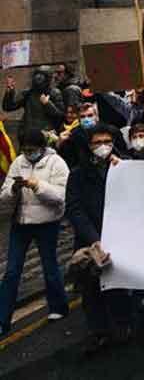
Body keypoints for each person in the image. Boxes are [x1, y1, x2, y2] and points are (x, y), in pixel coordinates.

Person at [66, 124, 133, 355]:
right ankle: (99, 331)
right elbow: (74, 210)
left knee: (117, 285)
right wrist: (94, 239)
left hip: (119, 237)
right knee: (91, 288)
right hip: (90, 240)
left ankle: (123, 323)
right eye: (97, 142)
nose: (103, 146)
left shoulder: (123, 167)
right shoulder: (77, 175)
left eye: (107, 141)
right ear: (89, 145)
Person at [0, 131, 70, 336]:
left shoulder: (56, 164)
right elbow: (4, 194)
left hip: (47, 223)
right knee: (12, 271)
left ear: (41, 148)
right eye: (25, 150)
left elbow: (60, 196)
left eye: (31, 150)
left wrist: (38, 186)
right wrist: (13, 189)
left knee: (49, 265)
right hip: (21, 223)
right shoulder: (18, 163)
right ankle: (3, 318)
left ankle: (58, 306)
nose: (27, 154)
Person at [4, 67, 65, 144]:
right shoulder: (28, 93)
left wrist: (47, 104)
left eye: (42, 75)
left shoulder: (54, 93)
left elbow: (60, 116)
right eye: (37, 75)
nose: (38, 78)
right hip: (28, 134)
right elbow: (8, 107)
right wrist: (10, 92)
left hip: (46, 135)